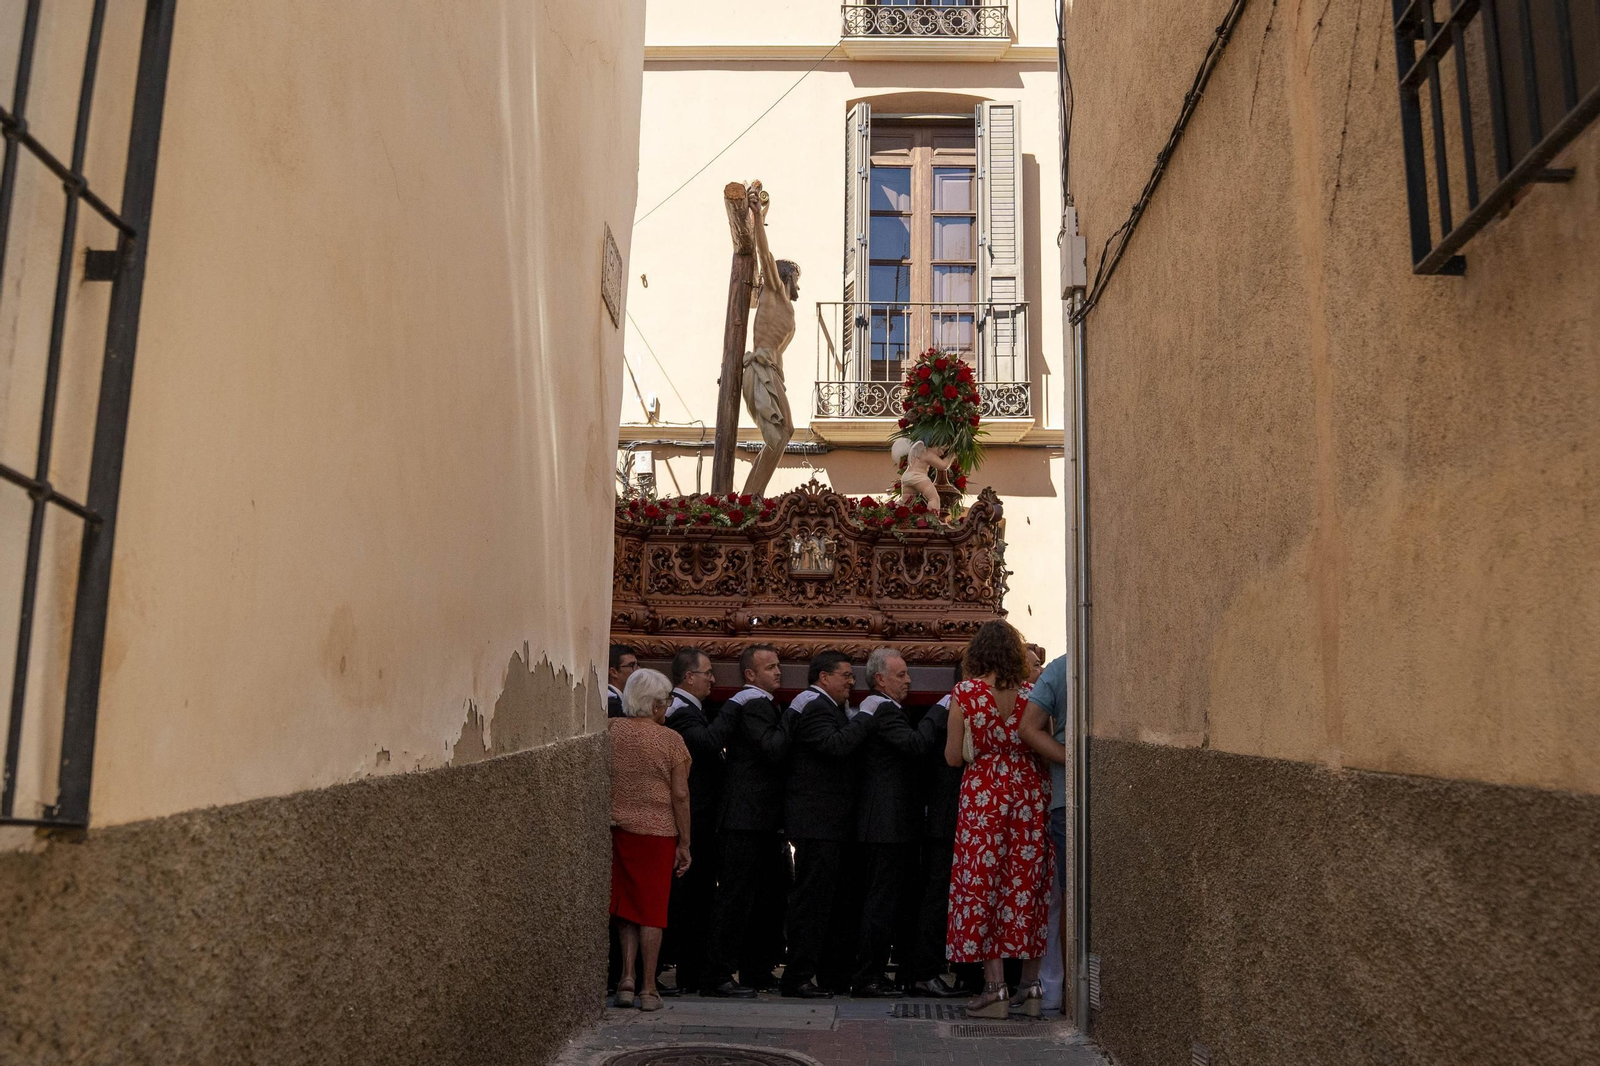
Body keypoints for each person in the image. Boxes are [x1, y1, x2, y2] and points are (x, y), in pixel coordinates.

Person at [944, 621, 1052, 1019]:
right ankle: (1032, 987)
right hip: (1028, 794)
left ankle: (995, 990)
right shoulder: (1032, 694)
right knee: (1027, 883)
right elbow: (1044, 746)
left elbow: (953, 756)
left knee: (984, 885)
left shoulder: (967, 693)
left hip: (984, 796)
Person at [781, 651, 877, 999]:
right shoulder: (816, 707)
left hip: (832, 824)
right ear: (824, 677)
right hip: (817, 823)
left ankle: (831, 975)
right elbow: (833, 746)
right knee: (812, 902)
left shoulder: (829, 707)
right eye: (846, 675)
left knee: (834, 902)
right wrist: (865, 718)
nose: (852, 682)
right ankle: (798, 976)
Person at [844, 648, 933, 997]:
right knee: (880, 904)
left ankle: (878, 973)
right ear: (881, 679)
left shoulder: (884, 710)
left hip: (890, 824)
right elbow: (916, 745)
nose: (908, 680)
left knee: (888, 901)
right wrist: (938, 712)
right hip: (885, 825)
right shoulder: (883, 710)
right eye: (901, 674)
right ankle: (868, 976)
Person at [708, 644, 791, 997]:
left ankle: (756, 969)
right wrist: (792, 716)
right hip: (746, 819)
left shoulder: (757, 703)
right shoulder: (755, 703)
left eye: (778, 666)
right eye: (770, 667)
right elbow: (772, 747)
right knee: (738, 898)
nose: (778, 672)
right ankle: (718, 974)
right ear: (750, 675)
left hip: (759, 819)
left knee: (763, 897)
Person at [608, 668, 692, 1012]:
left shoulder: (611, 731)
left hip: (619, 829)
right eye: (667, 700)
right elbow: (681, 795)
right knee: (653, 912)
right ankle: (647, 988)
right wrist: (685, 843)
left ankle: (625, 979)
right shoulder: (671, 740)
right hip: (658, 834)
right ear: (657, 704)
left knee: (627, 908)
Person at [662, 648, 741, 996]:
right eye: (707, 672)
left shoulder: (691, 709)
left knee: (699, 898)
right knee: (693, 900)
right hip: (695, 819)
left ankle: (692, 974)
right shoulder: (680, 712)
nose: (713, 678)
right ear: (688, 677)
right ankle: (692, 972)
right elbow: (706, 744)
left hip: (704, 817)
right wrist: (736, 707)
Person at [905, 662, 973, 998]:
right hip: (947, 818)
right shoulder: (946, 708)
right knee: (938, 897)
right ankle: (924, 972)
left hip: (958, 816)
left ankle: (964, 972)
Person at [1019, 652, 1069, 1013]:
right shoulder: (1061, 669)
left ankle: (1060, 992)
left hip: (1061, 799)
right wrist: (1069, 757)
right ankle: (1066, 993)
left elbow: (1028, 728)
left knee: (1061, 897)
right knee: (1065, 896)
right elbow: (1029, 726)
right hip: (1064, 799)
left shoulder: (1059, 669)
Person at [608, 644, 639, 718]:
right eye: (632, 665)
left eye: (637, 665)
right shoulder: (612, 704)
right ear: (614, 672)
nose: (637, 670)